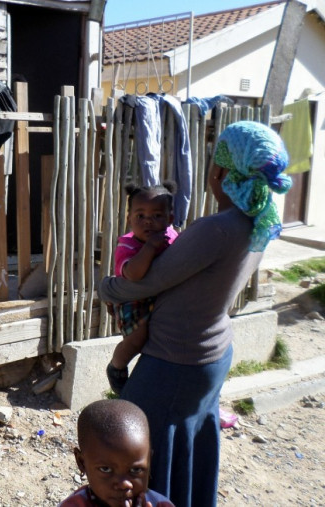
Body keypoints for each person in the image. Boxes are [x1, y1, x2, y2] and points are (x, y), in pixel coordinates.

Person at [98, 121, 291, 507]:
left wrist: (106, 288)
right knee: (187, 447)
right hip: (212, 350)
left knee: (138, 452)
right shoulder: (259, 221)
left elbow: (148, 282)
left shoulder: (217, 228)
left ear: (219, 171)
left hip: (177, 359)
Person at [106, 182, 178, 394]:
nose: (148, 221)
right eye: (140, 216)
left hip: (157, 299)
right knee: (138, 338)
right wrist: (149, 247)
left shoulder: (173, 238)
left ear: (169, 220)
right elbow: (134, 275)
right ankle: (116, 366)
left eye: (157, 216)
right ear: (129, 219)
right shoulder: (127, 245)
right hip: (131, 300)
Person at [60, 399, 174, 507]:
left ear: (149, 461)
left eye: (136, 470)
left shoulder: (160, 504)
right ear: (82, 463)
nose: (124, 484)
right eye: (106, 469)